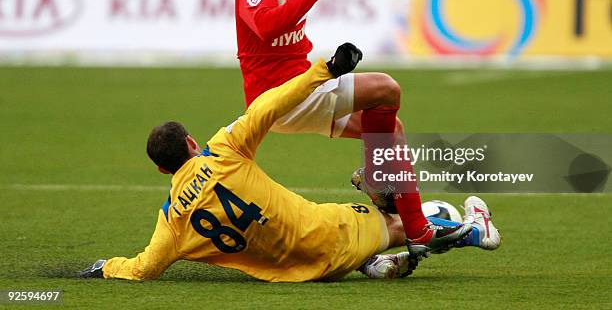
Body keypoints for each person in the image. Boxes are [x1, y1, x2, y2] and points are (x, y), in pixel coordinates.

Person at [77, 44, 499, 282]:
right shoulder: (223, 148)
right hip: (328, 235)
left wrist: (104, 268)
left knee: (384, 226)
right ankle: (471, 230)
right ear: (191, 142)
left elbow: (143, 268)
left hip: (298, 273)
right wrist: (325, 70)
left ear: (162, 170)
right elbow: (271, 103)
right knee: (399, 221)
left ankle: (375, 260)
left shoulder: (172, 220)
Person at [233, 0, 472, 249]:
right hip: (278, 96)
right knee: (386, 89)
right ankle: (397, 203)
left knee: (392, 131)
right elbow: (267, 26)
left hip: (302, 89)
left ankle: (410, 227)